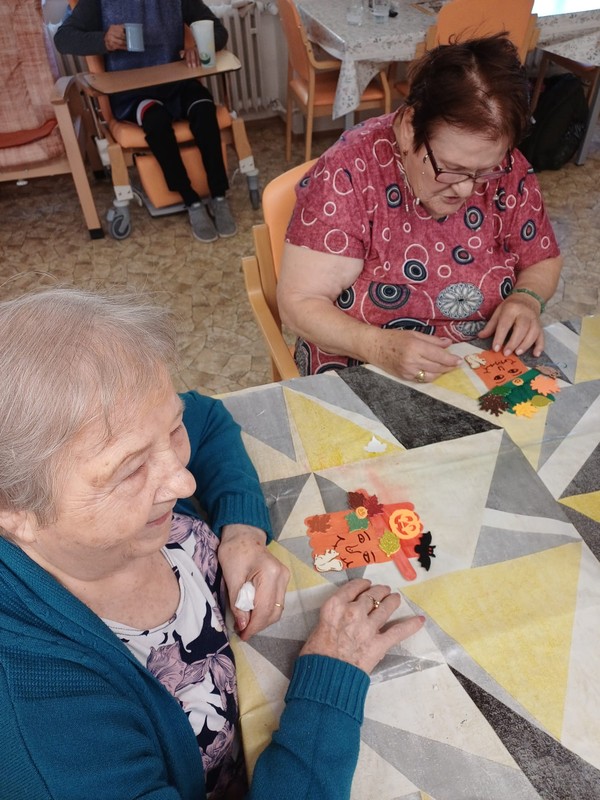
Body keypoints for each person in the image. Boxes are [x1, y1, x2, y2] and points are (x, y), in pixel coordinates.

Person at [0, 287, 424, 800]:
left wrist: (242, 530)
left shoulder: (125, 448)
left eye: (172, 432)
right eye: (132, 470)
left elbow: (208, 420)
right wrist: (330, 682)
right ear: (12, 510)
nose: (183, 482)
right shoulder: (45, 728)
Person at [277, 35, 564, 383]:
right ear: (410, 127)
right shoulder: (347, 173)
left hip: (482, 365)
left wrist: (526, 299)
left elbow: (542, 257)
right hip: (364, 364)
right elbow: (299, 302)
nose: (466, 188)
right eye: (450, 168)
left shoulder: (506, 168)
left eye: (483, 171)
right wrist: (378, 346)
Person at [55, 0, 237, 243]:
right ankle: (191, 200)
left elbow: (218, 31)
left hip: (177, 83)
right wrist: (103, 40)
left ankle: (218, 196)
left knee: (204, 109)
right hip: (134, 93)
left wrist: (202, 46)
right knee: (156, 121)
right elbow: (63, 38)